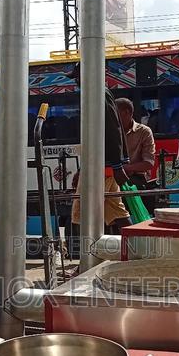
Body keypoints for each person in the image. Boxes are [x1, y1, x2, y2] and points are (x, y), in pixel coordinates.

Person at [70, 64, 131, 235]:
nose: (76, 82)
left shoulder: (99, 94)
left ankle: (84, 254)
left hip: (101, 165)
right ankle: (133, 249)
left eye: (77, 77)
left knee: (81, 209)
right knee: (116, 210)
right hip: (101, 164)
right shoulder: (97, 93)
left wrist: (118, 166)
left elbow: (112, 129)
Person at [115, 97, 157, 213]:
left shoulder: (144, 131)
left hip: (134, 179)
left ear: (126, 113)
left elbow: (149, 163)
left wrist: (126, 168)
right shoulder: (110, 132)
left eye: (115, 113)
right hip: (111, 178)